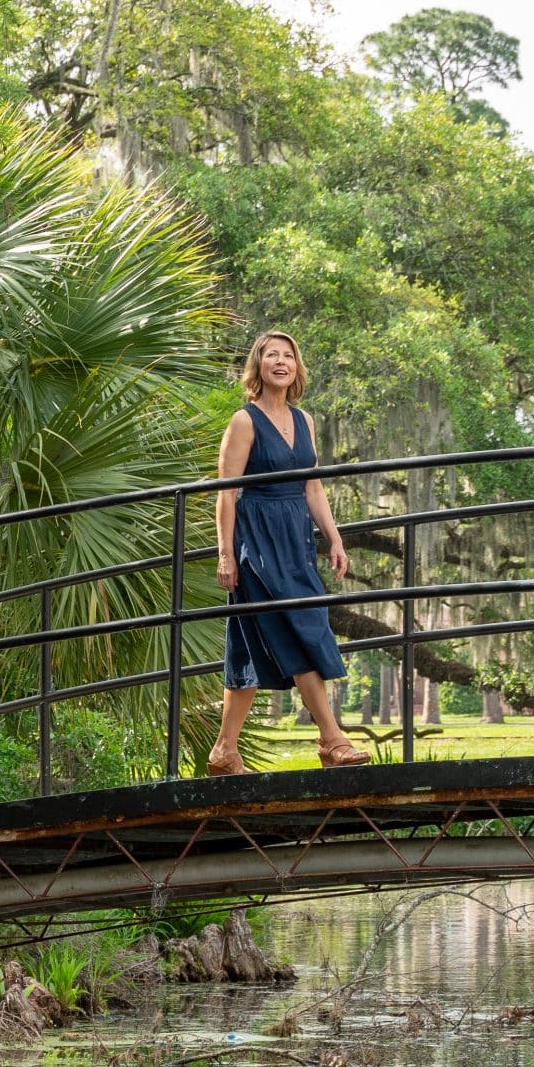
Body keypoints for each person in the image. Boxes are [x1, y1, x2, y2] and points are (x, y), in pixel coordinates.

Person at [208, 330, 369, 771]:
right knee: (301, 630)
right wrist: (225, 554)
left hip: (295, 542)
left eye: (288, 356)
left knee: (253, 642)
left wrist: (334, 538)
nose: (281, 362)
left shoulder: (304, 421)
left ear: (296, 367)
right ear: (258, 366)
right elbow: (226, 492)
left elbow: (312, 486)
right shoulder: (244, 421)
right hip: (257, 543)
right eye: (271, 355)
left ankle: (224, 750)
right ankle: (332, 740)